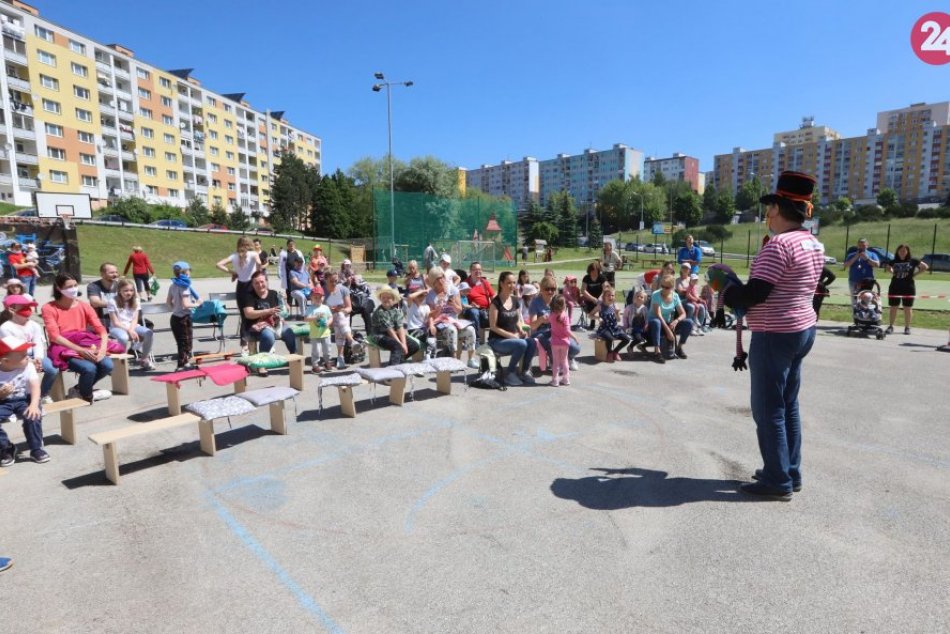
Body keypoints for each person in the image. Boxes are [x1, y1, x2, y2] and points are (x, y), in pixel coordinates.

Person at [722, 170, 824, 501]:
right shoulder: (813, 243)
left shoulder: (778, 245)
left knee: (768, 409)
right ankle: (789, 471)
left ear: (779, 208)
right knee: (788, 404)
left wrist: (727, 292)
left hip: (774, 333)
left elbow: (756, 293)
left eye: (770, 207)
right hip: (802, 329)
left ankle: (777, 480)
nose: (767, 214)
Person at [42, 273, 113, 401]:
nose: (74, 289)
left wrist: (102, 350)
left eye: (75, 285)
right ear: (58, 288)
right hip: (62, 349)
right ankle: (87, 396)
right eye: (69, 286)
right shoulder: (48, 308)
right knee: (89, 368)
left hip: (84, 343)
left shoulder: (84, 306)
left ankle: (80, 390)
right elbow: (54, 336)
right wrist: (80, 350)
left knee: (107, 365)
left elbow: (101, 330)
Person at [0, 335, 47, 466]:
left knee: (32, 416)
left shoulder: (28, 367)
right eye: (23, 356)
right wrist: (1, 394)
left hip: (25, 399)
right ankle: (5, 447)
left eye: (27, 354)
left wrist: (34, 405)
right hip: (3, 402)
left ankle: (36, 448)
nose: (28, 357)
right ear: (6, 361)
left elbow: (35, 387)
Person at [0, 295, 57, 402]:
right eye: (24, 307)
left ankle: (42, 394)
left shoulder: (34, 325)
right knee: (24, 371)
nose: (28, 309)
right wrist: (30, 361)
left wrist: (38, 358)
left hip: (33, 356)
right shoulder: (5, 328)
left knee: (52, 370)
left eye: (29, 306)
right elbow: (12, 349)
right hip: (16, 357)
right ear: (12, 309)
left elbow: (38, 343)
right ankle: (23, 397)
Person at [241, 271, 297, 376]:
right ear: (252, 284)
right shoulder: (248, 296)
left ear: (266, 281)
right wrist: (268, 311)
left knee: (289, 333)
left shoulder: (274, 294)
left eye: (262, 282)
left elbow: (283, 311)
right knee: (268, 336)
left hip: (275, 323)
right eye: (256, 283)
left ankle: (294, 358)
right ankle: (262, 363)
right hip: (256, 326)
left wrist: (285, 303)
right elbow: (248, 314)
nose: (260, 285)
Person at [488, 271, 537, 386]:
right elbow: (493, 327)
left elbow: (518, 320)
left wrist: (520, 329)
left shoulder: (515, 301)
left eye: (514, 283)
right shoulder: (495, 303)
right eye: (509, 283)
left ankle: (524, 371)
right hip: (497, 341)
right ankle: (510, 373)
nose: (512, 285)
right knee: (521, 344)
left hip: (513, 338)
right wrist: (511, 336)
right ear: (501, 284)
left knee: (532, 342)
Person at [426, 267, 478, 368]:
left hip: (454, 321)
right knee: (451, 330)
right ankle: (454, 360)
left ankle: (471, 359)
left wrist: (453, 304)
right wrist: (438, 309)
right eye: (438, 279)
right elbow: (430, 315)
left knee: (471, 330)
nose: (442, 280)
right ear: (433, 282)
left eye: (443, 277)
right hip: (440, 324)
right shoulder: (431, 295)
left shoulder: (453, 290)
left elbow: (459, 310)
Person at [217, 237, 262, 351]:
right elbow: (259, 263)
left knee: (244, 316)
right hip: (251, 286)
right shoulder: (253, 254)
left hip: (241, 287)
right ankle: (253, 342)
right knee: (255, 314)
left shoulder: (234, 256)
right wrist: (258, 273)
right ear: (250, 244)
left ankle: (244, 345)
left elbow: (219, 264)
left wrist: (233, 272)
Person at [530, 276, 581, 370]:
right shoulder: (535, 302)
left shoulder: (557, 299)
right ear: (541, 288)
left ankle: (569, 358)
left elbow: (564, 319)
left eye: (553, 289)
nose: (550, 291)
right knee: (552, 342)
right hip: (542, 332)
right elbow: (532, 326)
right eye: (547, 289)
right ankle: (555, 361)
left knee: (576, 348)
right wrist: (541, 319)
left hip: (558, 330)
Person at [106, 278, 155, 371]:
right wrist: (129, 330)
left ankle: (144, 358)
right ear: (119, 290)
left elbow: (135, 319)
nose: (129, 293)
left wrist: (131, 329)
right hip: (117, 327)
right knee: (123, 337)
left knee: (149, 333)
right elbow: (115, 322)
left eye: (131, 290)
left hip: (132, 326)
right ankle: (122, 362)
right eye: (126, 291)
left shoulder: (136, 300)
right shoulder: (112, 301)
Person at [648, 274, 693, 364]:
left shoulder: (675, 296)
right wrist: (668, 331)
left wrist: (676, 321)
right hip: (655, 323)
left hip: (668, 322)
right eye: (662, 286)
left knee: (689, 322)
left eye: (667, 287)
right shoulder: (656, 294)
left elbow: (683, 313)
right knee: (657, 322)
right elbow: (658, 314)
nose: (663, 289)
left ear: (672, 287)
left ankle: (679, 348)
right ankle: (657, 352)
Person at [371, 286, 419, 366]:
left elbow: (400, 327)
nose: (385, 299)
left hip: (393, 333)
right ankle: (393, 369)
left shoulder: (396, 311)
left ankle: (398, 361)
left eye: (388, 297)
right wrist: (401, 344)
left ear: (393, 299)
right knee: (397, 346)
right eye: (383, 297)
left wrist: (404, 343)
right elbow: (389, 330)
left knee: (414, 346)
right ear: (380, 299)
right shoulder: (380, 312)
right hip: (380, 335)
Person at [886, 244, 928, 335]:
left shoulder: (913, 261)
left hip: (908, 287)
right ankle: (891, 326)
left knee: (907, 308)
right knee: (893, 307)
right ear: (897, 251)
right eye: (900, 250)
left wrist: (915, 274)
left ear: (907, 252)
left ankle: (907, 327)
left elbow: (925, 266)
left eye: (904, 251)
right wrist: (893, 273)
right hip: (895, 287)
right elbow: (888, 267)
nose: (902, 252)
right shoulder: (893, 261)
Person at [166, 262, 199, 371]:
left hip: (175, 317)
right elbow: (186, 304)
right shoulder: (184, 287)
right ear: (186, 273)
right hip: (184, 318)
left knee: (181, 342)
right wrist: (198, 304)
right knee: (186, 343)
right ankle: (181, 365)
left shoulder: (173, 285)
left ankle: (185, 363)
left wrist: (176, 309)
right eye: (189, 271)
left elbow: (168, 302)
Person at [324, 271, 356, 369]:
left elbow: (349, 308)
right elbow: (319, 308)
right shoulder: (322, 291)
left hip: (342, 317)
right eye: (331, 281)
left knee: (339, 317)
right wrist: (331, 311)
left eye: (336, 281)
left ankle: (340, 357)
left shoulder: (343, 289)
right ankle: (351, 341)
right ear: (325, 280)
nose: (334, 283)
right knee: (339, 318)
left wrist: (340, 310)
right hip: (328, 319)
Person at [595, 285, 633, 361]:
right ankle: (609, 352)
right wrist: (598, 317)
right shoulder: (600, 306)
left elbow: (618, 320)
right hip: (604, 328)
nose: (611, 297)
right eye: (608, 295)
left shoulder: (615, 305)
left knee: (627, 339)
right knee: (610, 338)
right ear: (604, 297)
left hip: (614, 328)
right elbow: (591, 315)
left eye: (612, 295)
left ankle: (615, 352)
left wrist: (616, 313)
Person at [548, 294, 578, 387]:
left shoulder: (551, 316)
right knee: (564, 361)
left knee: (555, 362)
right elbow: (567, 331)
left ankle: (555, 380)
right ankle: (566, 379)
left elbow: (549, 322)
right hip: (564, 342)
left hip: (555, 343)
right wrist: (575, 337)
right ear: (564, 305)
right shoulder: (565, 317)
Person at [462, 261, 495, 339]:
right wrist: (470, 306)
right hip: (471, 309)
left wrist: (494, 308)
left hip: (485, 310)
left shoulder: (484, 282)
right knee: (474, 312)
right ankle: (476, 339)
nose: (478, 271)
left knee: (499, 311)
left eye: (479, 269)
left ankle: (495, 339)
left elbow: (492, 297)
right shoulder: (465, 284)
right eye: (475, 270)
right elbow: (461, 299)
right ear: (470, 271)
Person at [304, 285, 332, 373]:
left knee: (327, 349)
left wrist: (328, 322)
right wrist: (315, 317)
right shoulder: (310, 308)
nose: (318, 299)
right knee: (316, 350)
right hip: (315, 334)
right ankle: (315, 365)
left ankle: (327, 362)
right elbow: (306, 318)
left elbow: (330, 317)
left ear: (323, 297)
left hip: (325, 333)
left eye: (320, 297)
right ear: (311, 298)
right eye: (315, 297)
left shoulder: (325, 308)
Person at [844, 238, 879, 305]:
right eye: (860, 245)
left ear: (867, 246)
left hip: (867, 282)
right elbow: (846, 265)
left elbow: (877, 265)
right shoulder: (851, 255)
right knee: (855, 301)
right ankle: (856, 311)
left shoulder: (872, 254)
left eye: (863, 245)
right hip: (854, 281)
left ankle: (866, 311)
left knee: (867, 299)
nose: (861, 247)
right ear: (857, 246)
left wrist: (867, 259)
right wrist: (856, 257)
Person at [86, 262, 120, 327]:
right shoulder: (93, 286)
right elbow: (95, 302)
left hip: (119, 321)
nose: (115, 275)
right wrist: (115, 304)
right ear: (102, 274)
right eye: (111, 273)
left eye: (116, 272)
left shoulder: (121, 285)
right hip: (100, 321)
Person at [581, 261, 606, 330]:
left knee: (600, 305)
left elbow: (605, 289)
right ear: (589, 271)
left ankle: (601, 322)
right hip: (589, 298)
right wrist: (592, 298)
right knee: (592, 306)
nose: (594, 273)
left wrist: (600, 298)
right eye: (592, 271)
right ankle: (595, 321)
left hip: (600, 297)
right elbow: (583, 290)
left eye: (596, 271)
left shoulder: (602, 277)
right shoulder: (586, 278)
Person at [278, 239, 304, 304]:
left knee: (298, 290)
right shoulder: (284, 254)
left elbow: (303, 262)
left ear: (295, 245)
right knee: (289, 291)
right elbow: (280, 264)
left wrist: (302, 272)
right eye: (290, 245)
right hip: (288, 276)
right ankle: (289, 304)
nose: (291, 246)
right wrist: (279, 272)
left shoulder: (299, 253)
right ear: (287, 245)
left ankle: (298, 304)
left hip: (297, 276)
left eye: (293, 245)